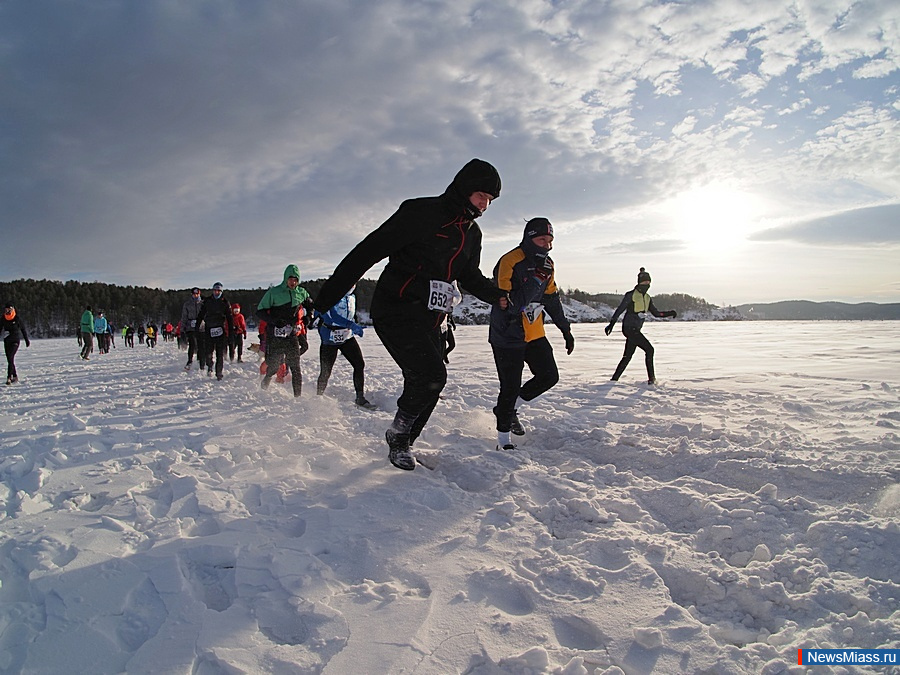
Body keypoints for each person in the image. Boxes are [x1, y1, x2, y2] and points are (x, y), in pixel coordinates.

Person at [313, 158, 508, 471]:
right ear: (464, 189)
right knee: (431, 375)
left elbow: (469, 276)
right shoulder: (421, 212)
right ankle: (399, 438)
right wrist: (325, 300)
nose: (485, 204)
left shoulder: (472, 235)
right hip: (395, 308)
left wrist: (497, 296)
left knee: (431, 382)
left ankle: (404, 439)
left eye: (490, 200)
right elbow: (367, 252)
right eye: (481, 196)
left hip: (431, 318)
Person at [489, 218, 575, 450]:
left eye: (550, 241)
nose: (546, 245)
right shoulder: (509, 261)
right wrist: (535, 280)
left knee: (549, 376)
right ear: (529, 238)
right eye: (541, 240)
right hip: (508, 334)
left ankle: (509, 410)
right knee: (510, 385)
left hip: (534, 332)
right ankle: (503, 440)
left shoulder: (548, 264)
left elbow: (551, 298)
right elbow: (510, 304)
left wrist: (565, 329)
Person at [604, 267, 677, 384]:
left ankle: (613, 380)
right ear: (639, 282)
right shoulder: (631, 295)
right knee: (650, 349)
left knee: (627, 356)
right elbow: (619, 310)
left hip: (636, 329)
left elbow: (656, 313)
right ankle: (652, 380)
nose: (647, 284)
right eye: (644, 282)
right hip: (629, 328)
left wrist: (669, 313)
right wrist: (611, 324)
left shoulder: (647, 298)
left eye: (649, 282)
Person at [315, 287, 376, 409]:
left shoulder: (352, 297)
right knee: (325, 372)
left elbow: (350, 314)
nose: (351, 286)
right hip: (330, 338)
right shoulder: (332, 296)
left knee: (359, 364)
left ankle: (360, 397)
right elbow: (334, 317)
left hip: (346, 337)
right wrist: (352, 325)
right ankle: (318, 397)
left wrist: (354, 322)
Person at [257, 265, 309, 396]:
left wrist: (309, 317)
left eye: (296, 280)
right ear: (285, 279)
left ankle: (298, 397)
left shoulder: (301, 292)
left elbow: (311, 305)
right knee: (274, 366)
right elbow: (260, 311)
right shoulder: (274, 292)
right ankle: (267, 379)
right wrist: (274, 321)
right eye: (291, 279)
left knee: (296, 367)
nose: (293, 282)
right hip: (275, 336)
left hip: (291, 335)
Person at [196, 282, 233, 380]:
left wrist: (231, 332)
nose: (217, 293)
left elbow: (230, 318)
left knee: (220, 353)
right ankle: (210, 366)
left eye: (219, 291)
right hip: (209, 329)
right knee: (208, 352)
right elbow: (201, 315)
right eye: (215, 291)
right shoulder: (207, 301)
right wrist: (197, 327)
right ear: (213, 291)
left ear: (221, 292)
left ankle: (219, 373)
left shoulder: (225, 302)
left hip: (220, 330)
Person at [1, 303, 30, 384]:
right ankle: (15, 376)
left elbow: (23, 329)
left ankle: (9, 377)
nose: (7, 311)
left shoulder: (16, 318)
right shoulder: (3, 318)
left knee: (11, 357)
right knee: (9, 360)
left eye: (8, 310)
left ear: (12, 309)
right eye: (5, 310)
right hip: (7, 341)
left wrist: (26, 340)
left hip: (15, 341)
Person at [181, 287, 203, 371]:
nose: (196, 295)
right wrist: (182, 329)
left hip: (201, 327)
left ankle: (201, 360)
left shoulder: (202, 303)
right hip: (191, 327)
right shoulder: (187, 304)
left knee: (201, 345)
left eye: (197, 294)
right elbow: (184, 317)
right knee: (192, 343)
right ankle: (189, 361)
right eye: (194, 294)